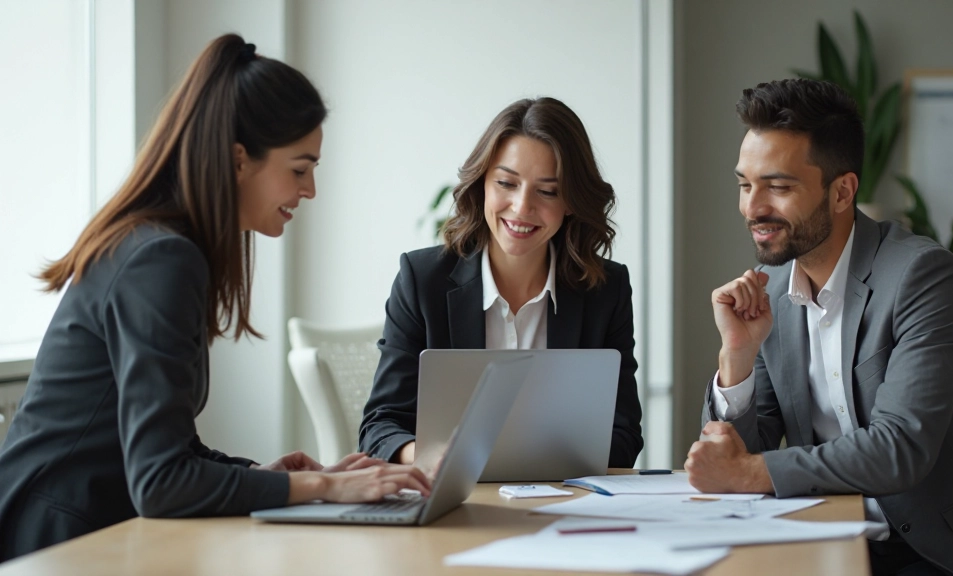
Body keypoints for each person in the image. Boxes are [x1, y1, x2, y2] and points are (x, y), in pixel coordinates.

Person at [0, 34, 429, 562]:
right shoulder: (160, 260)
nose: (311, 190)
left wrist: (260, 476)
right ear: (239, 159)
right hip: (56, 546)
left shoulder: (160, 247)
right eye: (299, 169)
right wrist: (324, 488)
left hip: (89, 531)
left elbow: (169, 451)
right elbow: (161, 482)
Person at [683, 78, 953, 576]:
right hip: (834, 533)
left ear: (842, 191)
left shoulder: (923, 276)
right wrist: (736, 358)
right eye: (744, 184)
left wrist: (746, 472)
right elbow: (737, 458)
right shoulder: (772, 291)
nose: (752, 207)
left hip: (947, 548)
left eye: (777, 186)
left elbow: (899, 447)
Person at [359, 97, 643, 468]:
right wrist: (432, 457)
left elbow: (623, 435)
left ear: (572, 200)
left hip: (563, 504)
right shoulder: (422, 280)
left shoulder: (606, 289)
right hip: (455, 507)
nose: (522, 207)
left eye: (548, 191)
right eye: (507, 183)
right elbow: (380, 426)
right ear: (482, 185)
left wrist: (533, 462)